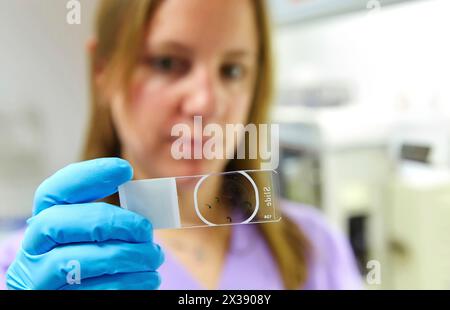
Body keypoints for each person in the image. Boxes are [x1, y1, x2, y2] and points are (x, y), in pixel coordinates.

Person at [0, 0, 362, 290]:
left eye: (232, 70)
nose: (205, 102)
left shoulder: (314, 248)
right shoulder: (30, 266)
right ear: (103, 70)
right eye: (168, 63)